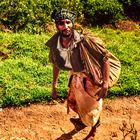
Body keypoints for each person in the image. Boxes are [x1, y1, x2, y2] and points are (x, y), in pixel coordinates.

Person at [46, 8, 121, 140]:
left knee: (92, 104)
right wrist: (54, 85)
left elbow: (105, 59)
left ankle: (92, 131)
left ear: (73, 23)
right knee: (76, 100)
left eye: (68, 22)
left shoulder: (85, 41)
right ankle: (82, 121)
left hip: (91, 76)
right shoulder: (56, 43)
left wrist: (105, 84)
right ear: (57, 26)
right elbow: (56, 64)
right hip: (75, 75)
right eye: (61, 23)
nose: (66, 26)